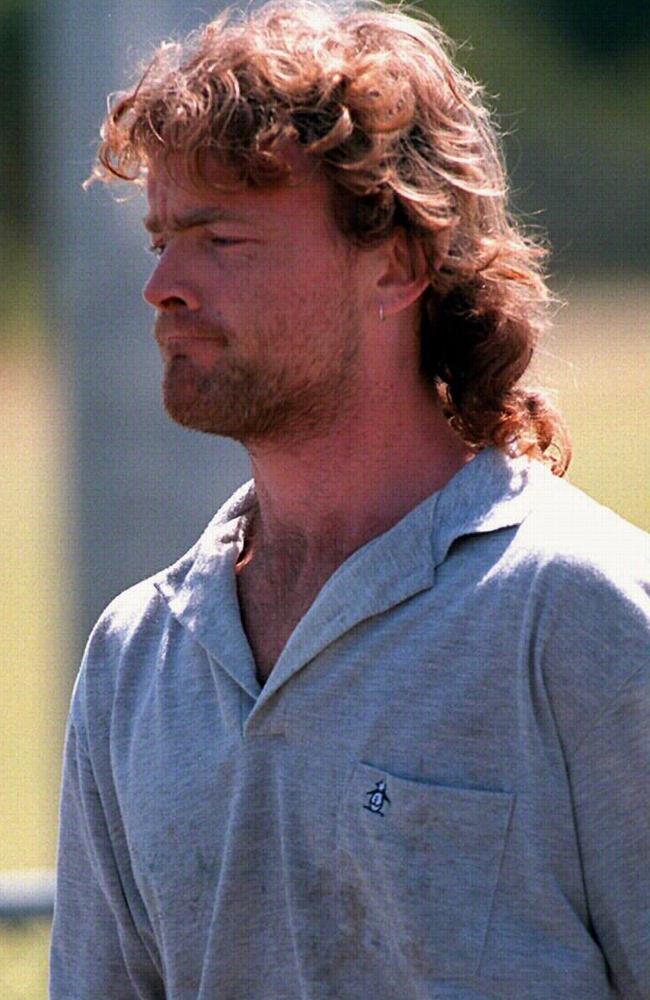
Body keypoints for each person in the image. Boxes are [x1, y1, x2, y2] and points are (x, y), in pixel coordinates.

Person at [50, 2, 650, 997]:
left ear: (398, 262)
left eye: (218, 238)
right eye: (159, 236)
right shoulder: (135, 658)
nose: (160, 283)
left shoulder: (581, 617)